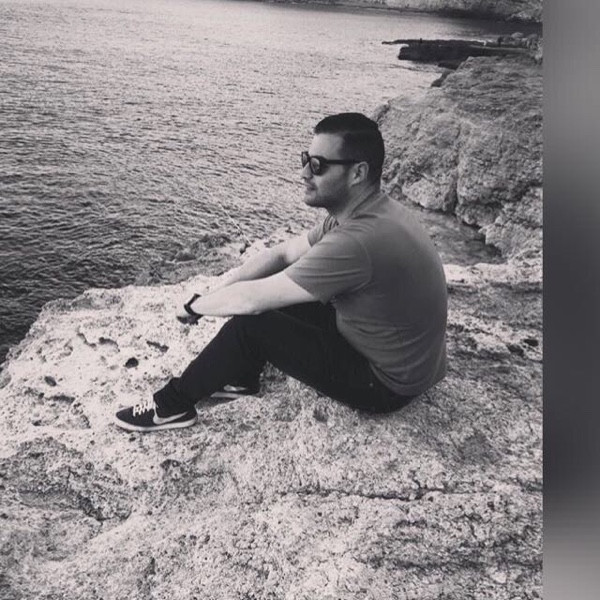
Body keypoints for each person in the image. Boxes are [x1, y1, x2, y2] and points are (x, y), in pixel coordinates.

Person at [114, 113, 447, 432]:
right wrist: (219, 293)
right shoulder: (365, 212)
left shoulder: (358, 240)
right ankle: (241, 378)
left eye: (318, 165)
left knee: (252, 325)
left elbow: (251, 302)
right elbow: (283, 254)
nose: (304, 173)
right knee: (278, 297)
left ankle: (171, 407)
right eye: (305, 159)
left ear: (358, 173)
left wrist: (194, 306)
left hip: (386, 384)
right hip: (403, 358)